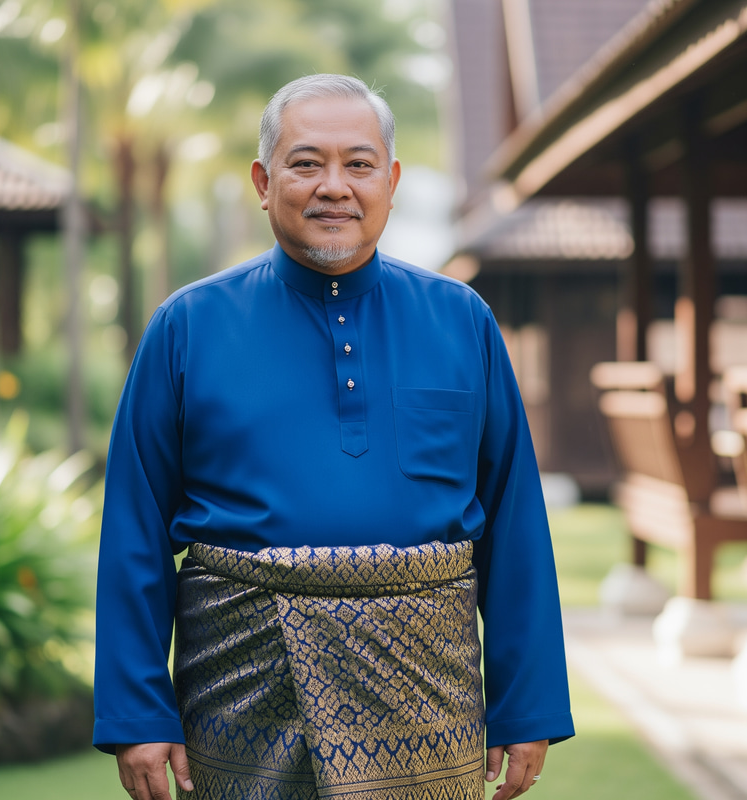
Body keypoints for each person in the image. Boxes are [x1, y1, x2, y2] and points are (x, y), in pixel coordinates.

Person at [94, 74, 574, 800]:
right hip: (240, 696)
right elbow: (133, 528)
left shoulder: (461, 319)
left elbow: (515, 522)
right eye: (306, 163)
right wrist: (135, 712)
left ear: (392, 180)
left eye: (358, 164)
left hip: (427, 700)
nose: (334, 187)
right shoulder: (187, 327)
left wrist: (527, 703)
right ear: (263, 180)